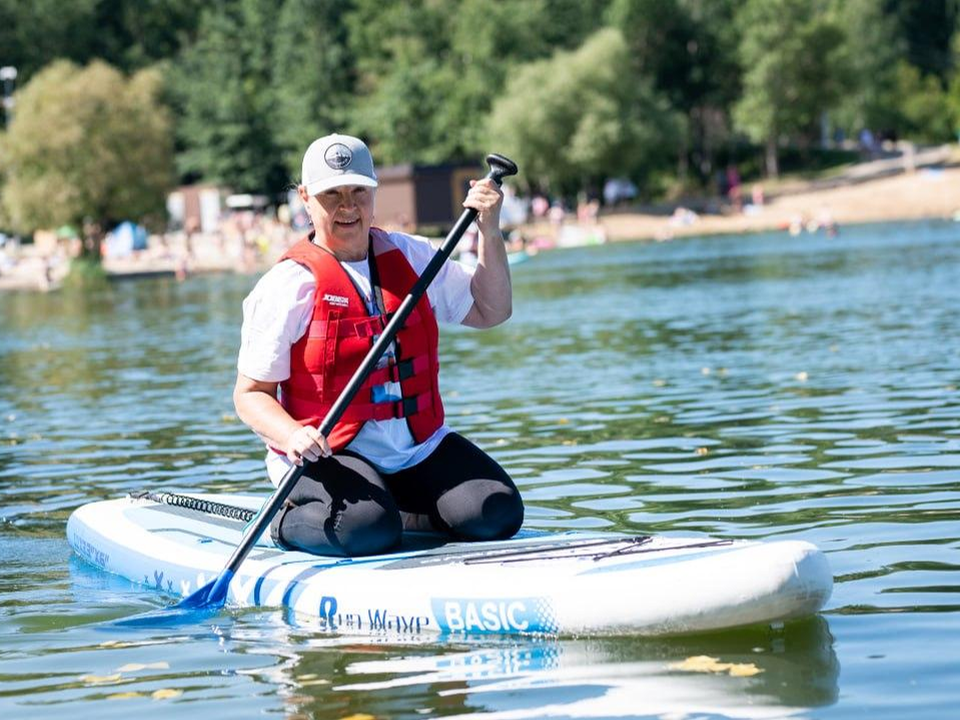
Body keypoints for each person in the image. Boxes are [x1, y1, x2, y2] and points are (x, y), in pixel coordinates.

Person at [234, 134, 524, 557]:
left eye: (357, 192)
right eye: (331, 194)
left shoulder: (413, 256)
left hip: (413, 450)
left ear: (373, 193)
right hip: (329, 453)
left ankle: (398, 513)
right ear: (305, 198)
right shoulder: (287, 286)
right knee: (365, 528)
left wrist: (489, 232)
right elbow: (250, 395)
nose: (347, 206)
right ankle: (285, 521)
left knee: (496, 512)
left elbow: (490, 310)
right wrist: (292, 434)